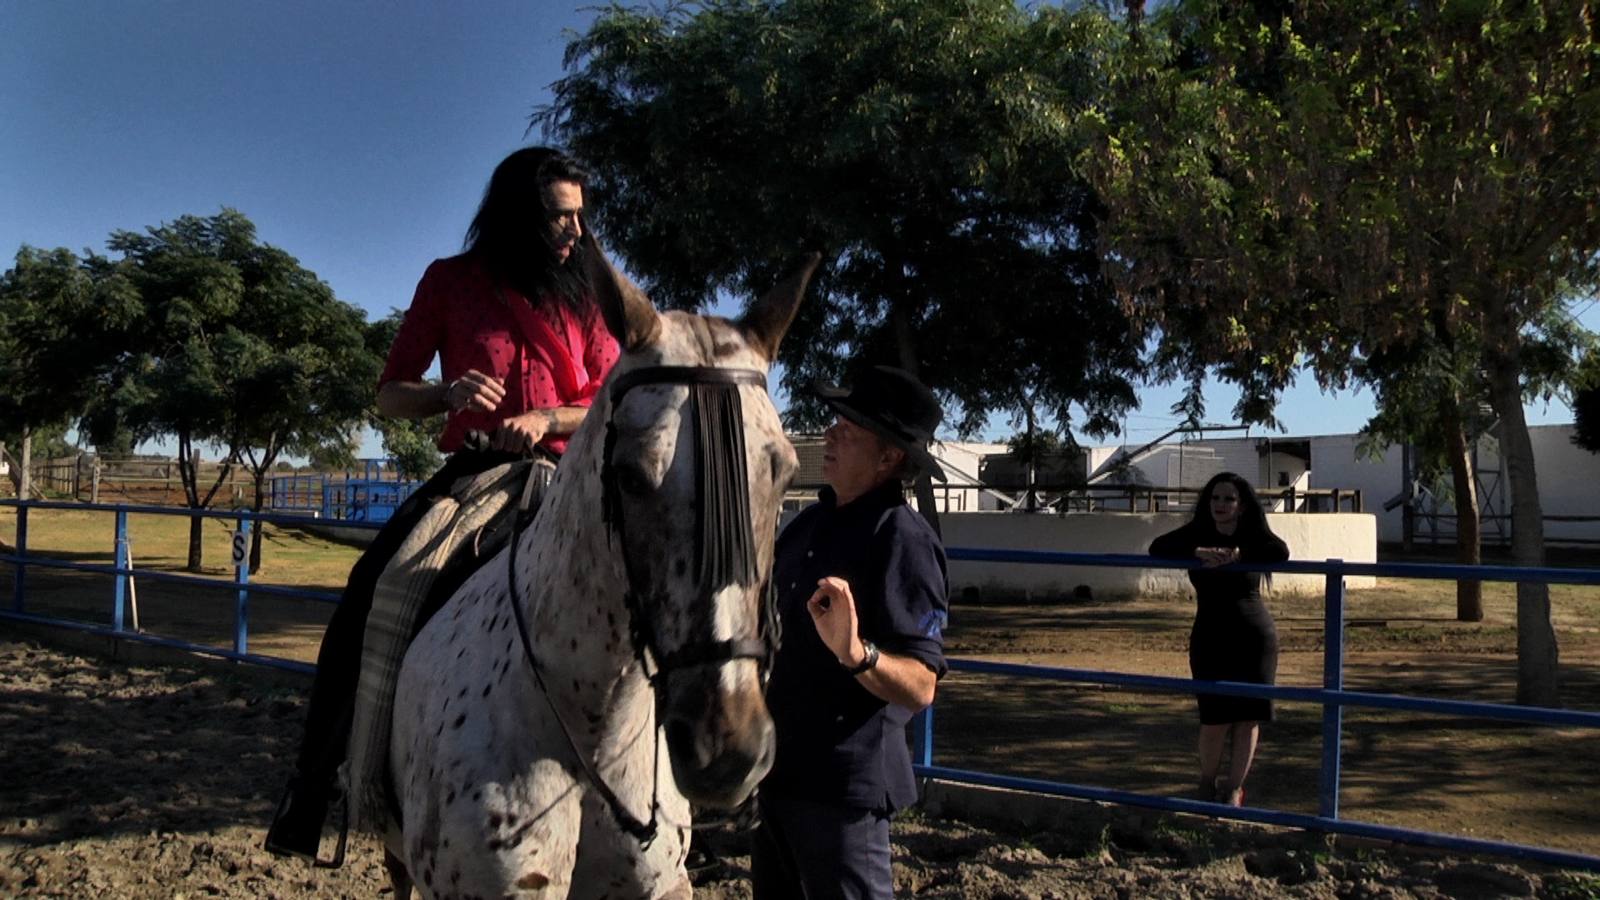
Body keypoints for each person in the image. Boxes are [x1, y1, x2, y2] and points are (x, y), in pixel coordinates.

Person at [264, 146, 619, 861]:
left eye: (580, 218)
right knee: (372, 593)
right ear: (519, 216)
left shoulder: (591, 292)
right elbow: (391, 393)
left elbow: (612, 396)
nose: (574, 234)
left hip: (575, 480)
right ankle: (316, 783)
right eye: (558, 218)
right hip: (479, 478)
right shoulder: (451, 282)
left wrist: (549, 419)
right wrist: (445, 395)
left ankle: (674, 797)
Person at [751, 365, 949, 900]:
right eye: (836, 420)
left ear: (889, 458)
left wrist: (857, 654)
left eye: (850, 428)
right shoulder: (806, 526)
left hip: (841, 791)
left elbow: (922, 685)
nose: (831, 434)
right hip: (777, 777)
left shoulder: (902, 539)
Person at [1149, 471, 1288, 807]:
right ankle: (1206, 784)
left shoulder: (1253, 534)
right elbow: (1158, 548)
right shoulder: (1197, 531)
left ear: (1241, 506)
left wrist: (1238, 555)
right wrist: (1199, 551)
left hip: (1254, 636)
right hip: (1210, 636)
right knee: (1214, 719)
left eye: (1229, 499)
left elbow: (1279, 551)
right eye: (1215, 498)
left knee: (1248, 718)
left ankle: (1234, 790)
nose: (1221, 505)